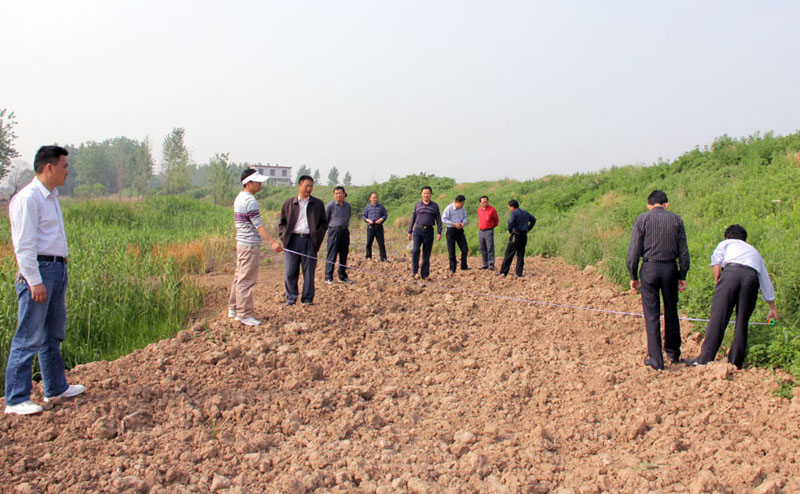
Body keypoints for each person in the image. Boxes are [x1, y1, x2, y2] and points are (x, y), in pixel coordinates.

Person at [4, 146, 84, 415]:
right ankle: (16, 399)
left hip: (56, 269)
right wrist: (34, 280)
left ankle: (55, 387)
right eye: (64, 166)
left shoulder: (50, 197)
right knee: (28, 335)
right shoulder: (28, 199)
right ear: (49, 167)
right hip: (40, 271)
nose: (67, 172)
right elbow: (24, 245)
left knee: (52, 334)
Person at [684, 225, 778, 369]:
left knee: (718, 318)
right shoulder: (755, 252)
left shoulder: (726, 243)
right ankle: (735, 363)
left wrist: (719, 281)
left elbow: (716, 261)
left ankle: (704, 359)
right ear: (745, 239)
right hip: (751, 278)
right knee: (742, 321)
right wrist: (772, 307)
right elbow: (765, 280)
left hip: (731, 274)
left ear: (727, 236)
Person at [627, 190, 690, 371]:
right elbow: (684, 252)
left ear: (649, 205)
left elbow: (633, 252)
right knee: (671, 311)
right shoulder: (676, 220)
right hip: (670, 269)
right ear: (666, 204)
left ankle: (656, 359)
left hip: (649, 268)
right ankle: (673, 352)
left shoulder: (642, 220)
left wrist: (633, 275)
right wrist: (682, 275)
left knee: (652, 314)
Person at [228, 169, 283, 326]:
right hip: (249, 245)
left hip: (242, 243)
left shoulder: (240, 197)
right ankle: (244, 314)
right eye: (257, 182)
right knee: (246, 280)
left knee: (239, 277)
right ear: (248, 183)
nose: (260, 184)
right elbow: (258, 225)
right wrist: (272, 242)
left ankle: (233, 309)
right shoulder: (250, 201)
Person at [278, 175, 328, 305]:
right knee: (290, 272)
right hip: (292, 241)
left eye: (311, 186)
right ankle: (291, 298)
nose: (309, 189)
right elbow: (282, 223)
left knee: (309, 273)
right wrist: (284, 237)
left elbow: (324, 223)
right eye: (306, 186)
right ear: (299, 186)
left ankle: (307, 299)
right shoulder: (289, 203)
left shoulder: (318, 204)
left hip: (309, 241)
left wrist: (316, 237)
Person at [407, 186, 442, 280]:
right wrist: (409, 231)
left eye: (428, 193)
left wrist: (439, 232)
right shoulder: (417, 205)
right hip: (418, 230)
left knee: (426, 254)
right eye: (424, 193)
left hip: (429, 231)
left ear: (431, 194)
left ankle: (425, 274)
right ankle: (414, 271)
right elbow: (413, 218)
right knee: (415, 250)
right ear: (421, 194)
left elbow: (438, 220)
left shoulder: (435, 206)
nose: (426, 195)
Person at [497, 200, 536, 277]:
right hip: (524, 235)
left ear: (512, 207)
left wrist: (510, 230)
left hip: (516, 235)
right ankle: (519, 273)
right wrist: (528, 228)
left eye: (509, 207)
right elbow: (533, 220)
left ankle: (503, 272)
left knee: (509, 254)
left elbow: (511, 222)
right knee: (521, 254)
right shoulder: (525, 212)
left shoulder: (514, 213)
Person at [324, 186, 352, 284]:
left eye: (340, 193)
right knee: (332, 254)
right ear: (333, 195)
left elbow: (348, 217)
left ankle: (342, 276)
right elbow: (325, 220)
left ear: (344, 194)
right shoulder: (330, 205)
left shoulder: (347, 206)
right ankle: (328, 277)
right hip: (334, 231)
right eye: (336, 193)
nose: (338, 195)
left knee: (344, 254)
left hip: (344, 231)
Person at [442, 195, 470, 273]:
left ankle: (464, 266)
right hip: (451, 231)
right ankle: (452, 269)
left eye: (463, 203)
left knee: (465, 249)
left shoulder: (463, 209)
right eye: (462, 203)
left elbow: (465, 217)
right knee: (451, 251)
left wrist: (464, 222)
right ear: (457, 202)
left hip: (460, 230)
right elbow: (443, 219)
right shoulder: (449, 208)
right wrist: (453, 223)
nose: (463, 205)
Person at [362, 192, 388, 262]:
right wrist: (368, 220)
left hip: (379, 226)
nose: (375, 199)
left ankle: (383, 258)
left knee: (381, 243)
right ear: (370, 198)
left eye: (376, 197)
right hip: (370, 226)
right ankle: (368, 257)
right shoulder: (367, 207)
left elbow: (385, 215)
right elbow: (363, 216)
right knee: (369, 243)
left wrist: (381, 219)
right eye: (373, 198)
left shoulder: (381, 207)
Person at [477, 195, 499, 270]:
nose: (485, 204)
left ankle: (491, 264)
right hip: (481, 231)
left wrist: (491, 227)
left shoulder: (492, 210)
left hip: (489, 231)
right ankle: (485, 264)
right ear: (480, 203)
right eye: (483, 202)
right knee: (482, 248)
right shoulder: (479, 210)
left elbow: (496, 220)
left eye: (486, 202)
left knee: (490, 248)